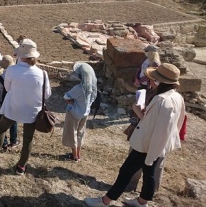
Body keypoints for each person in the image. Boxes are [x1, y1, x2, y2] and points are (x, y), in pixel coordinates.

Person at [84, 63, 186, 207]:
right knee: (149, 174)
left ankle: (105, 201)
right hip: (156, 146)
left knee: (125, 172)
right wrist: (139, 112)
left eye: (153, 78)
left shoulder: (162, 101)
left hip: (148, 146)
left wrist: (152, 154)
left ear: (161, 81)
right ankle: (142, 202)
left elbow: (162, 129)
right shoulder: (177, 97)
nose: (150, 81)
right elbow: (173, 123)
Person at [0, 39, 51, 176]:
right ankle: (21, 167)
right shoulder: (42, 74)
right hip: (32, 111)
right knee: (28, 139)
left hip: (13, 107)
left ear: (22, 56)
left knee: (1, 129)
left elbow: (7, 88)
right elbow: (47, 94)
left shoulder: (12, 70)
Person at [61, 62, 98, 162]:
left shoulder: (78, 88)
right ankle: (78, 154)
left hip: (74, 113)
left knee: (72, 132)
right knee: (80, 133)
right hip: (85, 113)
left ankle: (74, 156)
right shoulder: (92, 87)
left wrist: (71, 101)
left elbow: (66, 96)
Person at [0, 55, 18, 152]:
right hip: (14, 105)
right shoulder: (17, 78)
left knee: (1, 125)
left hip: (0, 106)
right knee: (14, 123)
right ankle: (13, 141)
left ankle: (4, 144)